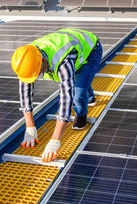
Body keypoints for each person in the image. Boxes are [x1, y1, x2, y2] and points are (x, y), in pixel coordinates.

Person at [11, 28, 102, 163]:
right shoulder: (26, 60)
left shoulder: (63, 59)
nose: (36, 77)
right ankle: (88, 93)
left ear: (42, 60)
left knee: (77, 93)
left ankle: (81, 114)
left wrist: (55, 140)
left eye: (38, 72)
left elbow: (66, 98)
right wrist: (29, 126)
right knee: (80, 81)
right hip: (73, 46)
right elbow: (25, 93)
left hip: (92, 49)